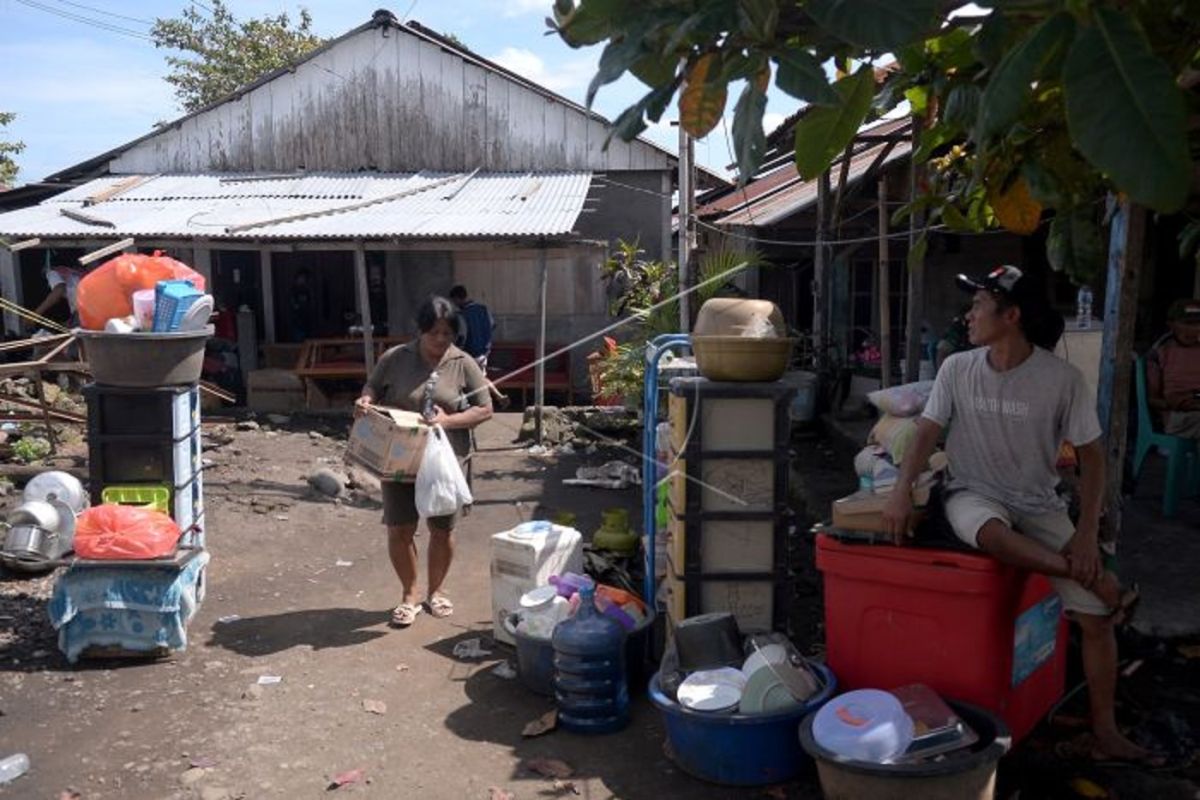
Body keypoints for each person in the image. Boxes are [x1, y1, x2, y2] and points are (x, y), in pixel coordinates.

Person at [882, 265, 1158, 765]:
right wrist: (902, 491)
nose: (968, 315)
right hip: (974, 492)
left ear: (1012, 316)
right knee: (986, 532)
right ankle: (1098, 581)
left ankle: (1106, 730)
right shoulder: (957, 368)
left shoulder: (1062, 380)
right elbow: (925, 432)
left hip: (1039, 502)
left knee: (1096, 623)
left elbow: (1092, 458)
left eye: (979, 306)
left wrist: (1087, 535)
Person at [355, 296, 493, 628]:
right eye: (434, 333)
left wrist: (448, 421)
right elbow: (373, 386)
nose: (441, 340)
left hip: (445, 461)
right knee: (400, 528)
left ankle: (438, 591)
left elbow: (485, 408)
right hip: (399, 457)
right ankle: (409, 595)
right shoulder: (395, 358)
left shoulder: (463, 363)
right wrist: (366, 400)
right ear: (421, 331)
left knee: (442, 529)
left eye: (448, 334)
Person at [1146, 298, 1200, 439]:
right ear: (1171, 325)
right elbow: (1152, 399)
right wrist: (1177, 403)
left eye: (1198, 324)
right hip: (1177, 418)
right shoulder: (1160, 352)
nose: (1194, 330)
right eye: (1187, 323)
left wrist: (1195, 399)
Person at [448, 285, 509, 408]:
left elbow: (461, 336)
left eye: (454, 301)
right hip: (484, 351)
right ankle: (499, 396)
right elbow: (492, 325)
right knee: (480, 377)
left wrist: (454, 351)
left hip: (469, 352)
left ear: (457, 298)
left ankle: (473, 404)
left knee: (461, 379)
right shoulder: (483, 309)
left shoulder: (461, 315)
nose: (454, 304)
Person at [31, 255, 84, 328]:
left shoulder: (52, 273)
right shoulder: (76, 273)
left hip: (83, 309)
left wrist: (34, 315)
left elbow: (59, 289)